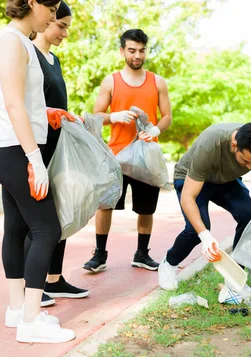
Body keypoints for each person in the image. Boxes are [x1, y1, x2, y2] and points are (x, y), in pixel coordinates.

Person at [0, 0, 75, 343]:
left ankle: (16, 311)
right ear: (33, 2)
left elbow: (24, 100)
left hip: (12, 148)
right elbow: (12, 104)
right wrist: (35, 159)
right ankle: (31, 321)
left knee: (17, 227)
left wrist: (49, 113)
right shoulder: (11, 41)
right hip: (16, 151)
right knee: (47, 229)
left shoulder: (20, 41)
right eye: (50, 9)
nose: (53, 17)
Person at [83, 29, 172, 273]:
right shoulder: (111, 81)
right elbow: (95, 116)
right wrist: (114, 116)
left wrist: (155, 130)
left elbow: (167, 117)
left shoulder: (158, 82)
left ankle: (142, 254)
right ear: (122, 51)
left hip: (147, 156)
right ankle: (100, 255)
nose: (137, 55)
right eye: (132, 50)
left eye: (142, 50)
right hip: (116, 157)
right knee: (106, 204)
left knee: (146, 209)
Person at [157, 122, 251, 291]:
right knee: (196, 229)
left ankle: (234, 278)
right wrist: (205, 236)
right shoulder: (211, 143)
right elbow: (188, 197)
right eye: (246, 161)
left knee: (248, 216)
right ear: (234, 145)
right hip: (190, 178)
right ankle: (169, 263)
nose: (250, 167)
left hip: (225, 181)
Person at [29, 1, 89, 307]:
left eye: (66, 27)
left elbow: (56, 104)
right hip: (36, 148)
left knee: (62, 212)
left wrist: (70, 116)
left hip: (59, 147)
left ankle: (55, 279)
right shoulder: (31, 57)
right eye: (60, 25)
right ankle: (32, 288)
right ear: (48, 18)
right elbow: (29, 106)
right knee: (38, 221)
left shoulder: (55, 60)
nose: (64, 33)